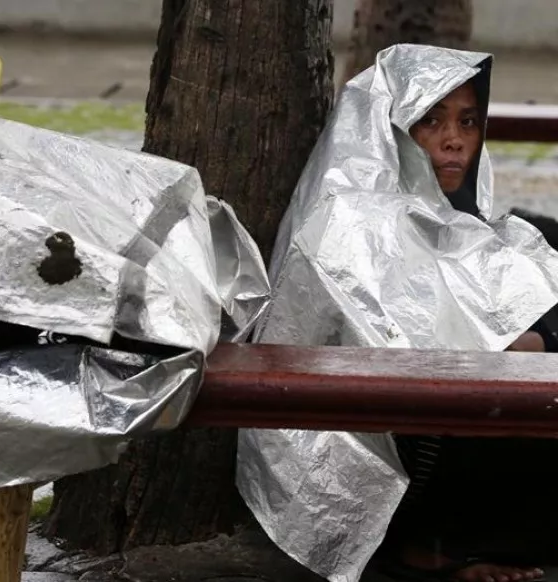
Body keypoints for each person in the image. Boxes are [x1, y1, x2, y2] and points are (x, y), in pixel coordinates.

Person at [236, 45, 558, 582]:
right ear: (387, 128)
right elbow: (406, 340)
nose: (453, 140)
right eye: (429, 121)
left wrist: (538, 339)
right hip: (377, 436)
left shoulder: (464, 222)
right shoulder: (349, 223)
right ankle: (432, 547)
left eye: (468, 121)